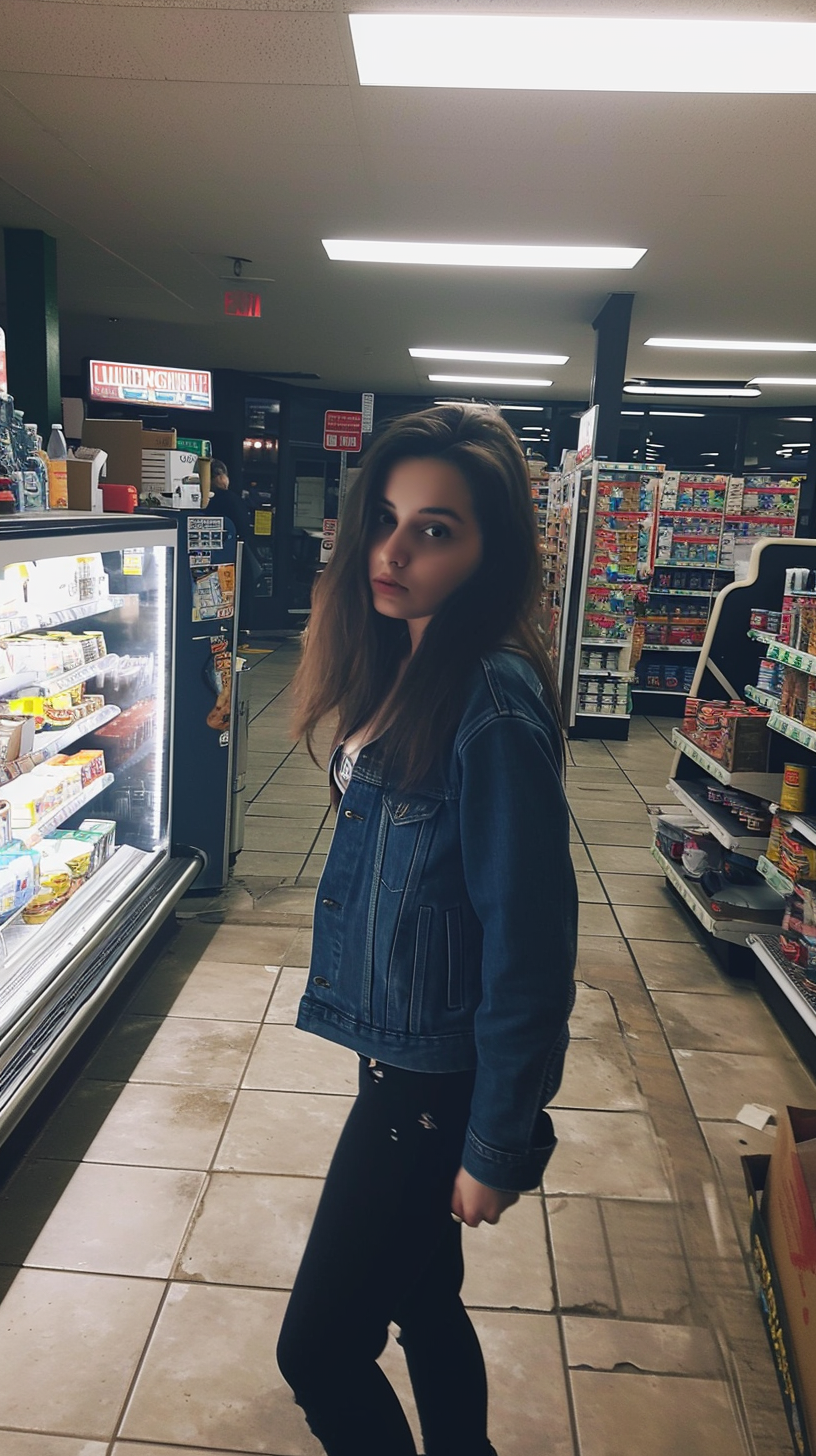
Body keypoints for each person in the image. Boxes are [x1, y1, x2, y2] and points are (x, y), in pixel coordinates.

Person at [277, 405, 577, 1456]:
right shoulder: (407, 655)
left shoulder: (489, 694)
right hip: (397, 1058)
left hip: (428, 1088)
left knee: (316, 1351)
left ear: (490, 549)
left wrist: (496, 1140)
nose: (393, 551)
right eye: (386, 518)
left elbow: (531, 948)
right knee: (424, 1301)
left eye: (436, 528)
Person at [209, 459, 262, 631]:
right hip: (236, 557)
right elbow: (244, 526)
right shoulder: (233, 500)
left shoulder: (210, 501)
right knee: (239, 595)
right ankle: (240, 631)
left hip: (216, 557)